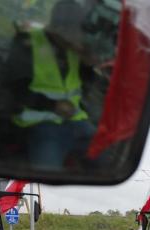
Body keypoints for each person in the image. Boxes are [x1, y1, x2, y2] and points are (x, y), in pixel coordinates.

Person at [6, 0, 98, 170]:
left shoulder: (73, 49)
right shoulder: (28, 42)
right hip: (39, 125)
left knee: (107, 156)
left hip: (77, 123)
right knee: (48, 173)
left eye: (79, 30)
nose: (78, 34)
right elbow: (15, 89)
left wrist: (88, 64)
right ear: (59, 26)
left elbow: (85, 85)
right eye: (74, 29)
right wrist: (52, 105)